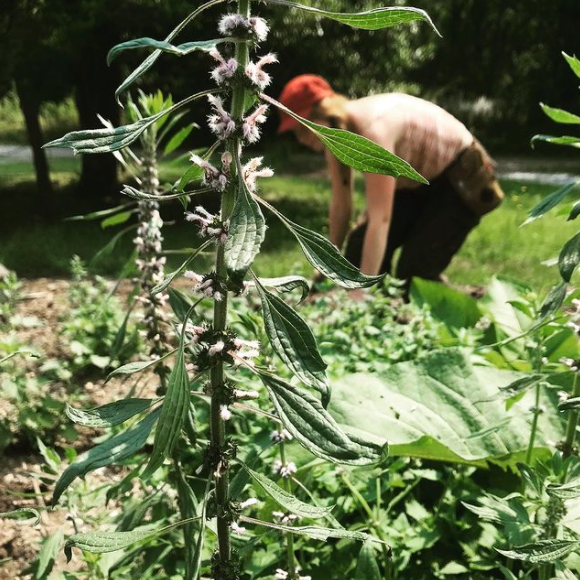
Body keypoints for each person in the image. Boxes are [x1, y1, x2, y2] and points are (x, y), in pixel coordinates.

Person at [277, 74, 504, 286]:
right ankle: (381, 314)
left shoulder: (374, 130)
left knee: (415, 271)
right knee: (356, 253)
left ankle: (463, 315)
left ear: (323, 113)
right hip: (416, 181)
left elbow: (381, 219)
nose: (301, 139)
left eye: (302, 129)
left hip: (459, 178)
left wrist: (361, 291)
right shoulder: (336, 137)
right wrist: (328, 264)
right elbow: (340, 204)